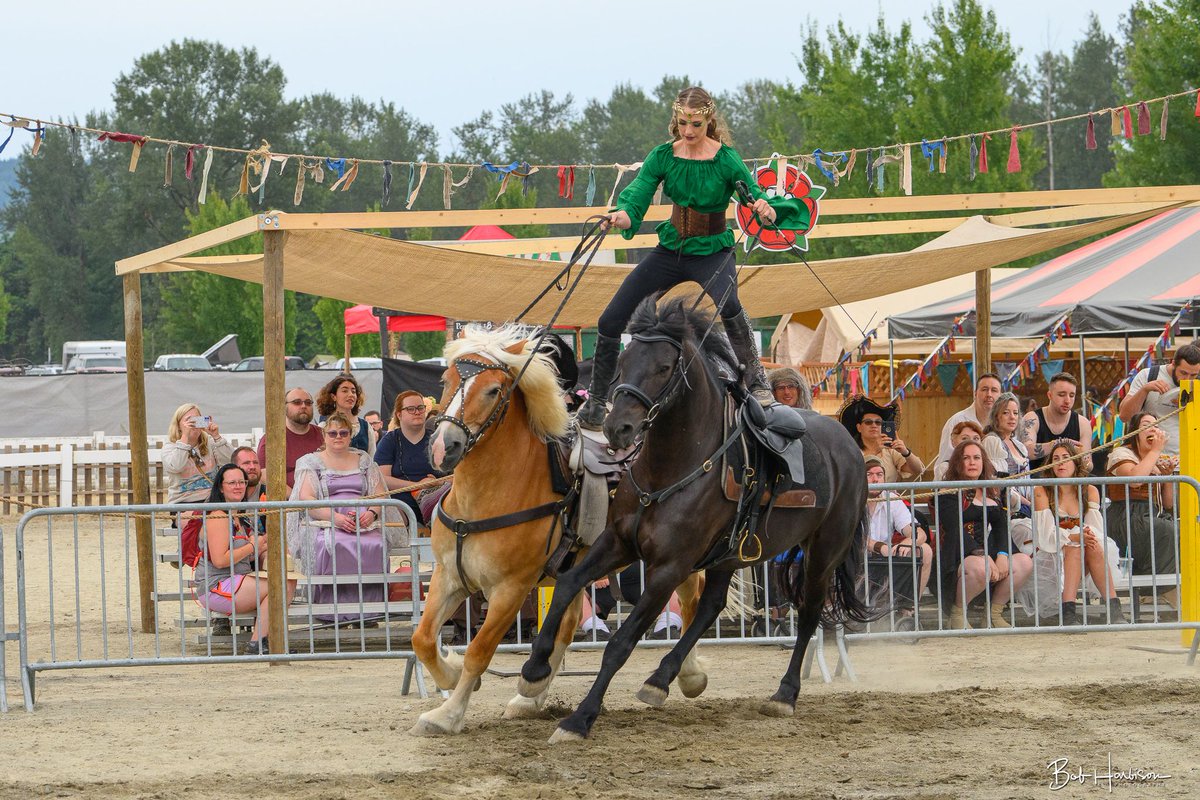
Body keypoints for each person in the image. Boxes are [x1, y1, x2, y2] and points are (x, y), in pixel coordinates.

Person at [576, 86, 813, 429]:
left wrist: (764, 208)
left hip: (712, 251)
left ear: (708, 122)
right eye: (683, 122)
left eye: (696, 125)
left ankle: (758, 383)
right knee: (610, 319)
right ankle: (597, 401)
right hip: (671, 249)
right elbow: (638, 196)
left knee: (729, 305)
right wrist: (622, 216)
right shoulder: (663, 156)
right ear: (676, 120)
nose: (688, 131)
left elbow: (754, 195)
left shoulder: (725, 159)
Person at [287, 411, 408, 625]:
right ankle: (331, 613)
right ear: (324, 436)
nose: (338, 437)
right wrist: (336, 519)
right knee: (332, 544)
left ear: (350, 435)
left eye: (343, 432)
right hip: (326, 521)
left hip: (363, 521)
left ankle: (370, 612)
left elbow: (378, 494)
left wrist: (370, 514)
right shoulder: (311, 462)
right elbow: (306, 498)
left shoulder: (364, 460)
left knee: (376, 543)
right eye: (332, 433)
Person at [192, 464, 296, 654]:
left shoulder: (238, 516)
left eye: (241, 482)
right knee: (281, 585)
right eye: (232, 483)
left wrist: (265, 546)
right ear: (221, 487)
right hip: (217, 585)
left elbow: (245, 554)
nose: (238, 486)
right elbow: (220, 561)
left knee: (287, 583)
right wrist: (253, 546)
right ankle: (259, 642)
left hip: (234, 580)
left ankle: (265, 640)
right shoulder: (219, 516)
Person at [936, 440, 1033, 629]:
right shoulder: (947, 490)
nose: (972, 462)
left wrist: (1003, 555)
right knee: (981, 568)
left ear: (983, 462)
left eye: (977, 458)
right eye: (966, 458)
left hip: (989, 551)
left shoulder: (992, 489)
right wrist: (983, 556)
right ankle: (957, 614)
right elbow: (954, 527)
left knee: (1023, 563)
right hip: (960, 552)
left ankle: (993, 614)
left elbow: (1001, 526)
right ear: (958, 463)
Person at [1033, 442, 1125, 625]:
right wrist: (1073, 537)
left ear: (1075, 462)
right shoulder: (1042, 491)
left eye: (1066, 458)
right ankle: (1068, 612)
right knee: (1073, 546)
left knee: (1094, 545)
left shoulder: (1088, 490)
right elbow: (1045, 535)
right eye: (1056, 459)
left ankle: (1114, 609)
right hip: (1052, 552)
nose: (1060, 463)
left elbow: (1095, 529)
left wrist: (1083, 537)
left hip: (1084, 553)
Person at [1106, 412, 1178, 587]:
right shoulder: (1121, 452)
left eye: (1156, 425)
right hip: (1126, 515)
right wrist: (1155, 451)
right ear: (1134, 432)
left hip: (1151, 514)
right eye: (1146, 425)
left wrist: (1167, 477)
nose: (1153, 429)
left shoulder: (1157, 458)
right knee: (1166, 529)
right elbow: (1135, 480)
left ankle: (1167, 589)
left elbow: (1168, 504)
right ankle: (1154, 590)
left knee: (1183, 529)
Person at [864, 458, 933, 615]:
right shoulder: (850, 498)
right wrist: (879, 546)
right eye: (869, 474)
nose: (875, 479)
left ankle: (908, 607)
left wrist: (910, 541)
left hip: (885, 559)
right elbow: (851, 538)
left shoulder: (891, 498)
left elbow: (919, 533)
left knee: (924, 550)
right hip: (855, 560)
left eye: (879, 474)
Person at [375, 389, 449, 525]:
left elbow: (453, 475)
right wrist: (417, 486)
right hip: (402, 505)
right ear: (399, 414)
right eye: (411, 409)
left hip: (437, 503)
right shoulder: (389, 441)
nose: (417, 412)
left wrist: (440, 483)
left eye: (420, 408)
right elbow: (383, 479)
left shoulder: (437, 439)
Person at [1118, 342, 1200, 457]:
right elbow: (1124, 416)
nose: (1187, 379)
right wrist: (1145, 390)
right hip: (1152, 459)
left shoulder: (1197, 383)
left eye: (1193, 375)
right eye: (1183, 373)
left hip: (1191, 459)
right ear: (1173, 363)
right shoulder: (1148, 375)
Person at [981, 392, 1033, 553]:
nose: (1012, 417)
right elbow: (1001, 485)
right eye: (1006, 412)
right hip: (1009, 510)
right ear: (996, 416)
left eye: (1015, 413)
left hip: (1028, 507)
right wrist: (1029, 504)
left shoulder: (1020, 445)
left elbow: (1028, 482)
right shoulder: (993, 441)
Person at [839, 395, 924, 483]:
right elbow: (848, 476)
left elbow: (918, 470)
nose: (874, 425)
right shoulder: (850, 451)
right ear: (859, 427)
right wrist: (874, 451)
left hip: (888, 497)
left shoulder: (890, 450)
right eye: (868, 422)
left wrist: (906, 452)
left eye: (878, 422)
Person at [256, 387, 325, 494]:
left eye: (308, 403)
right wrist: (296, 498)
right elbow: (264, 474)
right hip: (287, 505)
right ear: (284, 407)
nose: (303, 406)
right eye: (297, 402)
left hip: (324, 500)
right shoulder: (272, 439)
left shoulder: (325, 435)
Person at [1022, 372, 1093, 473]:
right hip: (1038, 483)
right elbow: (1025, 451)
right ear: (1049, 395)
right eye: (1061, 395)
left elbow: (1089, 467)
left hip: (1070, 483)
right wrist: (1057, 445)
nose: (1067, 400)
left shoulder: (1083, 423)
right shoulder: (1032, 418)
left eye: (1072, 395)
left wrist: (1082, 458)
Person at [163, 403, 233, 504]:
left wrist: (216, 436)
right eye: (189, 420)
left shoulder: (210, 442)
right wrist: (185, 437)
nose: (193, 423)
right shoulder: (170, 447)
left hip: (212, 499)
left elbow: (229, 462)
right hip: (183, 502)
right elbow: (176, 466)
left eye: (197, 419)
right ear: (178, 425)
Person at [936, 372, 1002, 462]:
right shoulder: (957, 421)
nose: (989, 394)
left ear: (1000, 395)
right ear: (975, 393)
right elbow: (944, 463)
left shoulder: (1005, 423)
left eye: (994, 390)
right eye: (984, 389)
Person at [316, 374, 376, 457]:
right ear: (333, 396)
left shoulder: (366, 427)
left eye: (353, 391)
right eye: (345, 391)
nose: (351, 394)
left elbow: (373, 458)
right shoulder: (323, 427)